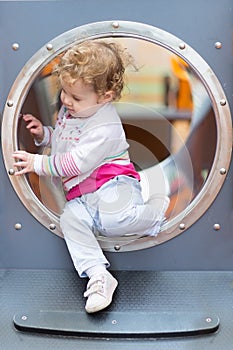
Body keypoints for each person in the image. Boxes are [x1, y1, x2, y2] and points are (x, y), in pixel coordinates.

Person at [13, 40, 170, 313]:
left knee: (113, 221)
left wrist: (37, 162)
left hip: (113, 184)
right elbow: (66, 141)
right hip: (83, 196)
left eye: (75, 97)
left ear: (105, 97)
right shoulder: (74, 109)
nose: (65, 100)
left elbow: (73, 163)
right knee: (70, 220)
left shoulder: (105, 126)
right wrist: (44, 135)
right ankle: (99, 276)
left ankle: (154, 212)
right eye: (64, 92)